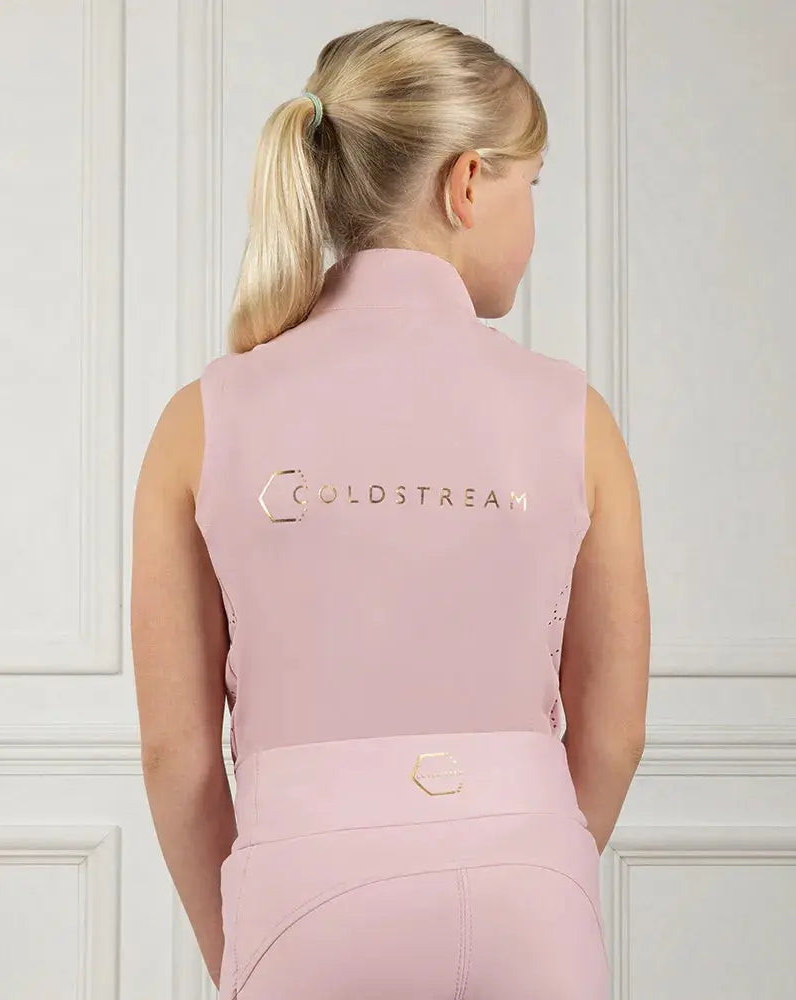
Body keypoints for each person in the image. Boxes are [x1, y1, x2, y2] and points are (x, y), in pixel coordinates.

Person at [131, 17, 650, 1000]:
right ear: (467, 184)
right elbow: (613, 731)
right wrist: (537, 863)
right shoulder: (574, 415)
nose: (532, 219)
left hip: (302, 899)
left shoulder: (202, 418)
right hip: (530, 890)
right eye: (531, 185)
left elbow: (178, 757)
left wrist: (244, 946)